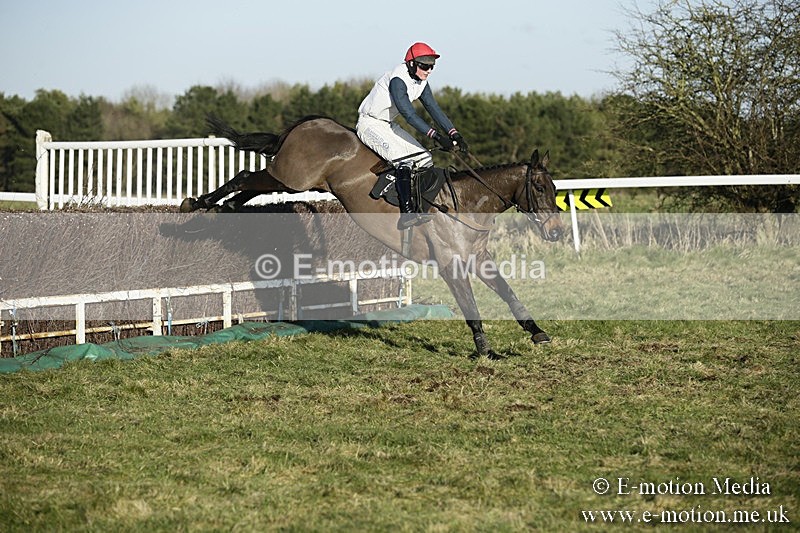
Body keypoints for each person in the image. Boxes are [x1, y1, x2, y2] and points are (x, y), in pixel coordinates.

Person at [356, 42, 468, 229]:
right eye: (424, 65)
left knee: (425, 158)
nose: (429, 70)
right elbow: (409, 114)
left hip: (387, 124)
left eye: (432, 65)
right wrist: (437, 137)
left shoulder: (420, 81)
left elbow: (434, 109)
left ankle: (419, 205)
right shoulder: (398, 80)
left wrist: (455, 133)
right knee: (404, 160)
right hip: (370, 124)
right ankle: (407, 212)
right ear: (411, 64)